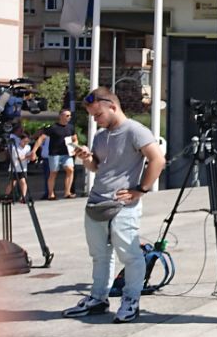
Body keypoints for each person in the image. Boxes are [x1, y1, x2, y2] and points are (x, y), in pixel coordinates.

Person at [64, 87, 165, 323]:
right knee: (100, 255)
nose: (95, 120)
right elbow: (98, 167)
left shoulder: (135, 131)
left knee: (130, 255)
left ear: (112, 106)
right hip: (97, 202)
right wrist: (87, 158)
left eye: (98, 114)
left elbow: (158, 159)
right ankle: (98, 298)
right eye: (92, 115)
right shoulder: (101, 136)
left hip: (122, 206)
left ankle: (131, 300)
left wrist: (141, 190)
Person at [33, 109, 80, 199]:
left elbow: (75, 139)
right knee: (53, 173)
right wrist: (34, 151)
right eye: (67, 115)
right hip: (55, 154)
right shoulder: (53, 127)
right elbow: (41, 138)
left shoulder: (71, 127)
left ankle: (67, 192)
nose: (69, 117)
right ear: (61, 116)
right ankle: (51, 194)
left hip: (67, 153)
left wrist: (75, 147)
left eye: (70, 115)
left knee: (70, 170)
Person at [2, 132, 33, 200]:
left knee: (23, 182)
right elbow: (19, 158)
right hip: (14, 168)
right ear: (21, 140)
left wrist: (30, 157)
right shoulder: (15, 148)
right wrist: (27, 156)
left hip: (23, 168)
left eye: (27, 142)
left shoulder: (28, 147)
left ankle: (23, 197)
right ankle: (6, 196)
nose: (25, 143)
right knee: (12, 183)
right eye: (24, 141)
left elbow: (30, 157)